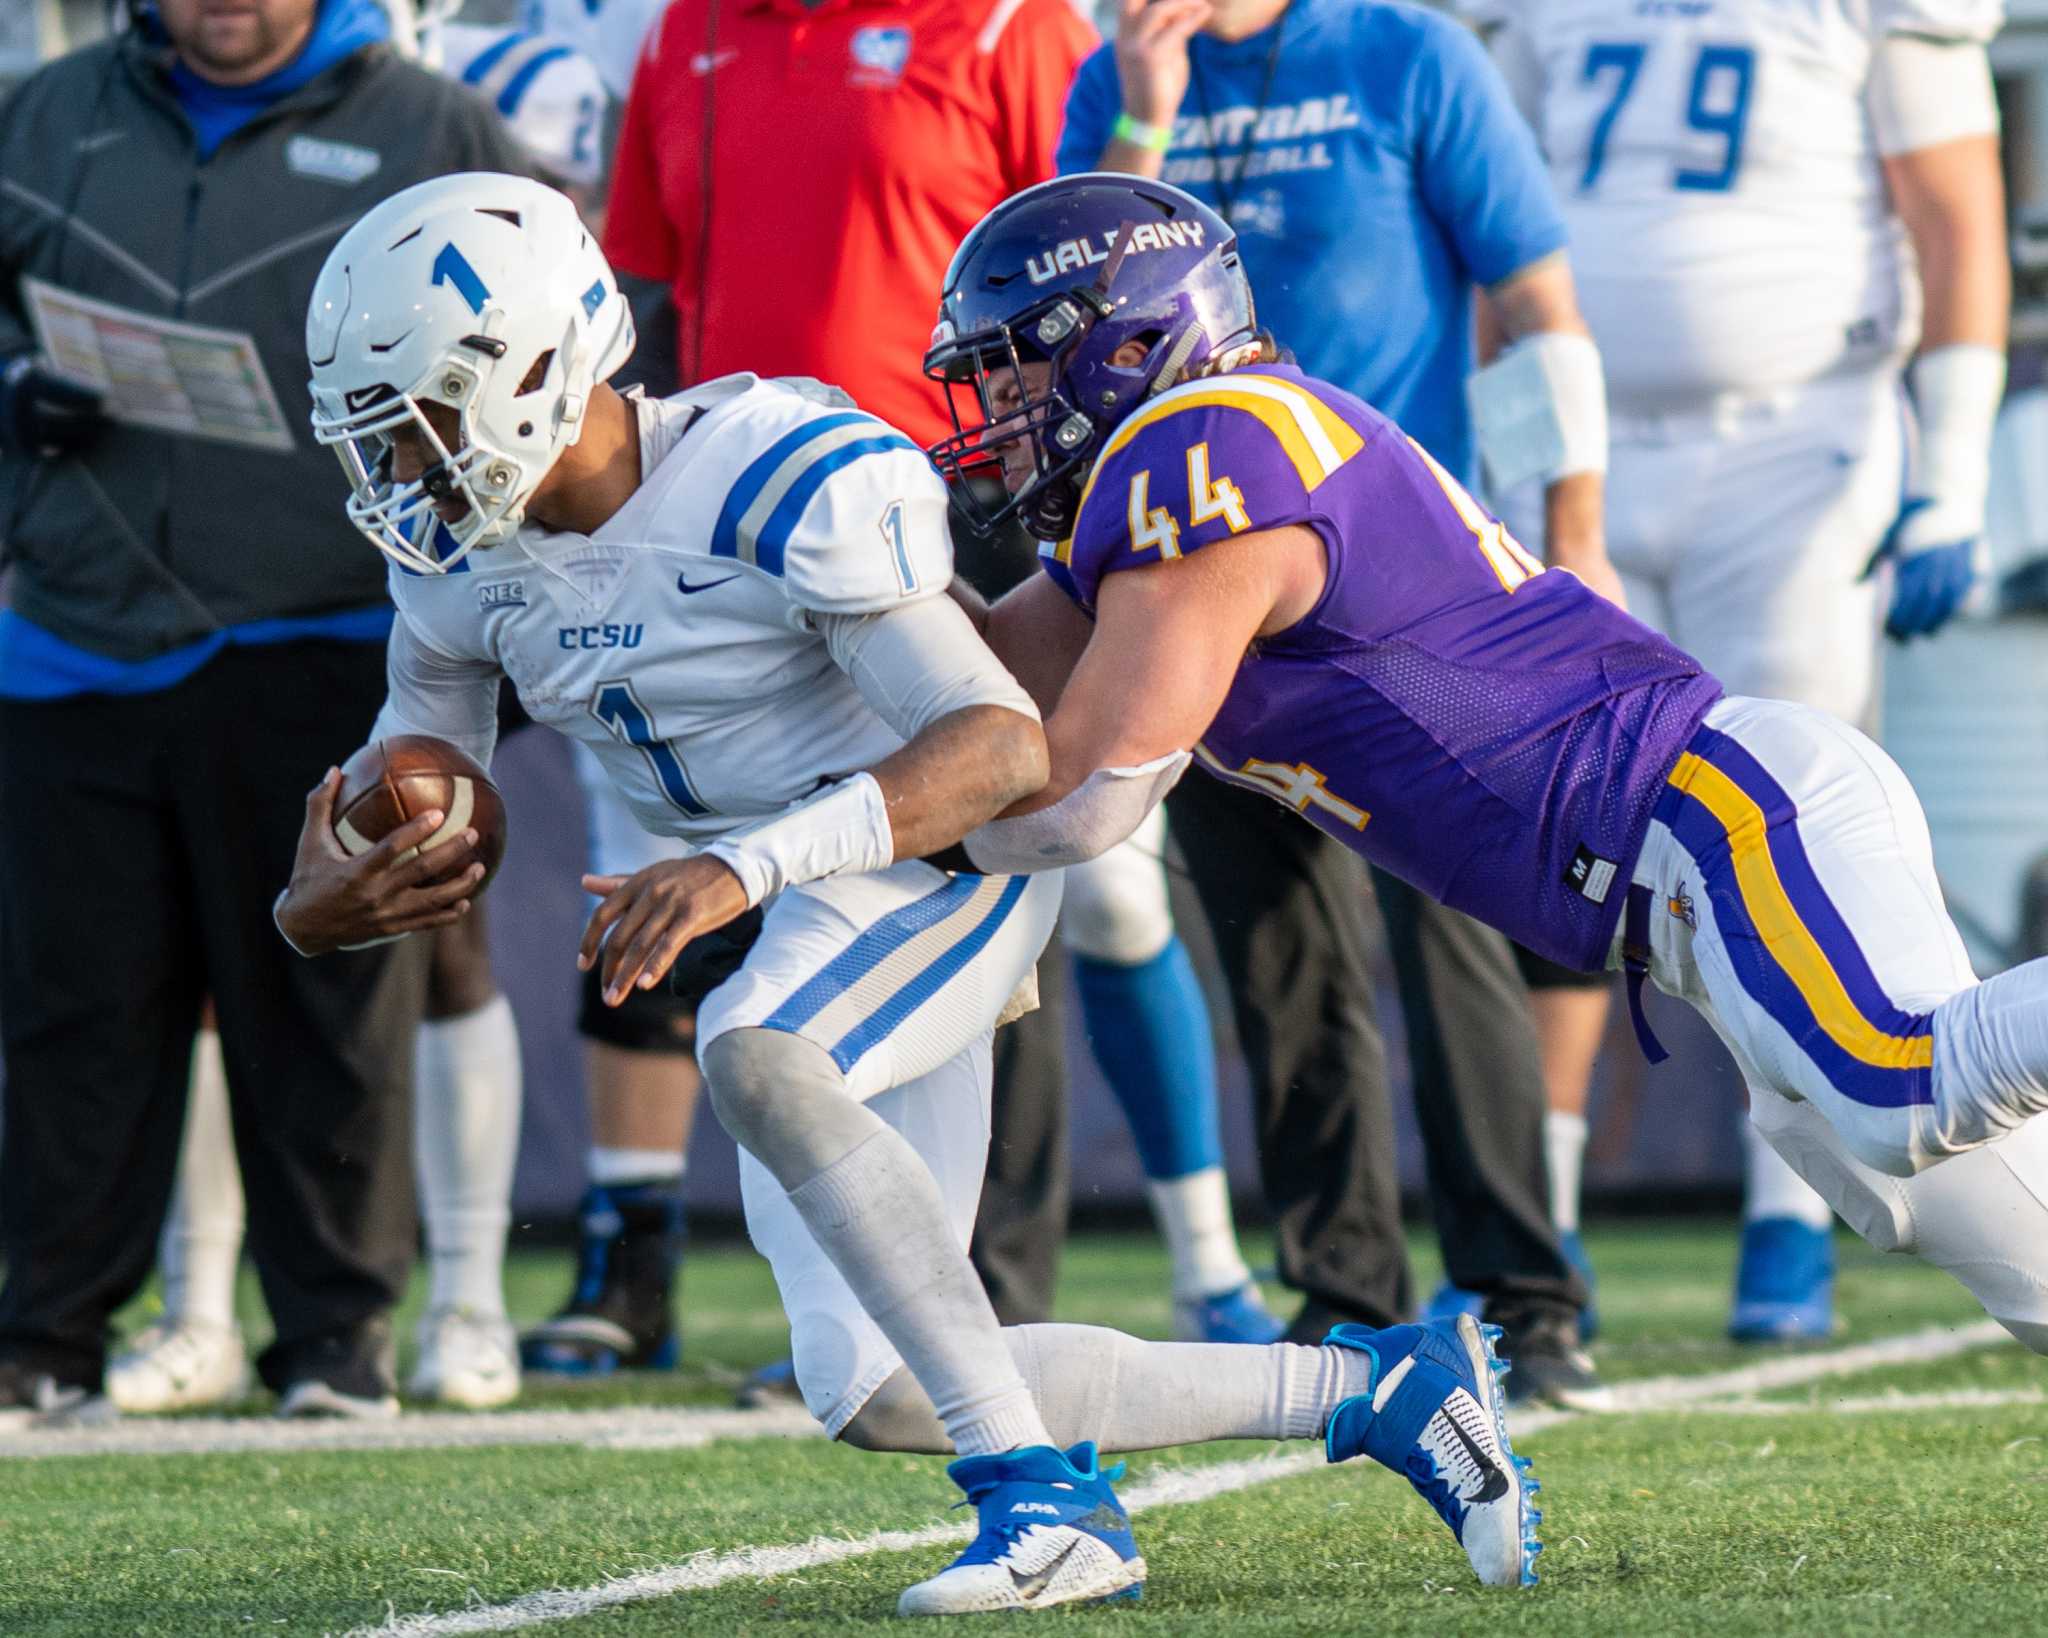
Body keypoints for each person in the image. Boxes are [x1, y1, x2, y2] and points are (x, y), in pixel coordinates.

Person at [281, 171, 1546, 1610]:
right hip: (788, 902)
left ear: (530, 370)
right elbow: (431, 744)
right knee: (883, 1380)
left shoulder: (773, 472)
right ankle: (1380, 1384)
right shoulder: (462, 562)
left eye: (427, 419)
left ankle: (1049, 1507)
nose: (407, 467)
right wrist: (365, 855)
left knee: (756, 1049)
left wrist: (740, 862)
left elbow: (1000, 746)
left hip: (936, 853)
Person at [925, 172, 2048, 1380]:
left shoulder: (1201, 450)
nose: (1000, 405)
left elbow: (1086, 795)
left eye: (1015, 365)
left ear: (1125, 338)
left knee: (1895, 1085)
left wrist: (860, 836)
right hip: (1680, 874)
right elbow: (986, 686)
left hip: (1715, 813)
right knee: (1933, 1206)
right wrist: (845, 594)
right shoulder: (1179, 475)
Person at [604, 0, 1281, 1362]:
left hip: (966, 490)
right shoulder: (691, 30)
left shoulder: (1003, 23)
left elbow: (1097, 238)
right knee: (908, 871)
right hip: (751, 537)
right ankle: (932, 1290)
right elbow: (652, 292)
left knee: (1081, 874)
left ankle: (1188, 1258)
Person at [1058, 0, 1609, 1395]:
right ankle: (1349, 1293)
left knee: (1455, 933)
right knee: (1280, 953)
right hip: (1203, 580)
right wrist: (1143, 103)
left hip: (1402, 585)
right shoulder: (1108, 77)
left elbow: (1536, 303)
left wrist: (1576, 523)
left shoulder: (1407, 53)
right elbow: (1069, 322)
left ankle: (1520, 1296)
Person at [0, 0, 533, 1425]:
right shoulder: (48, 113)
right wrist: (10, 395)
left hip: (330, 630)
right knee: (76, 1013)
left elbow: (546, 344)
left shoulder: (432, 125)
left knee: (329, 1000)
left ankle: (335, 1342)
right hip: (72, 633)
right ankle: (44, 1335)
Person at [1470, 0, 2011, 1339]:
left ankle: (1787, 1228)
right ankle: (1541, 1235)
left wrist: (1948, 477)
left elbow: (1955, 215)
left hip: (1793, 443)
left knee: (1784, 848)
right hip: (1583, 452)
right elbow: (1495, 236)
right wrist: (1503, 452)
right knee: (1560, 835)